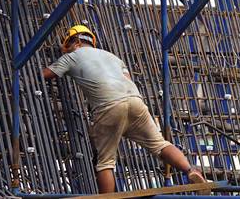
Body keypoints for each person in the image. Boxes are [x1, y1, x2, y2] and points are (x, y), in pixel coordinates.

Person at [42, 25, 206, 193]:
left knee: (105, 162)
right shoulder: (114, 57)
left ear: (76, 42)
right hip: (135, 102)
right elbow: (127, 79)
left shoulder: (72, 57)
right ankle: (190, 170)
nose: (65, 51)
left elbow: (42, 76)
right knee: (160, 145)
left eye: (66, 46)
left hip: (109, 105)